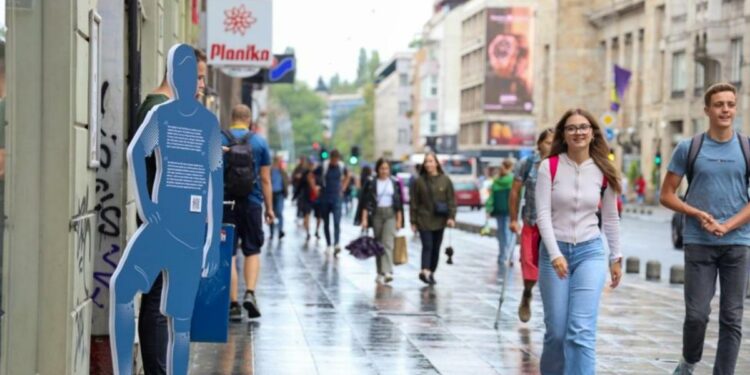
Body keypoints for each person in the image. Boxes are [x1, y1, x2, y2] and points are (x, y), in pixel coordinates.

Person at [111, 44, 221, 375]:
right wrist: (149, 205)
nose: (201, 87)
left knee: (164, 303)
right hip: (168, 220)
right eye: (199, 78)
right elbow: (141, 157)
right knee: (160, 305)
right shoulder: (160, 109)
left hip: (175, 218)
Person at [660, 83, 750, 375]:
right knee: (697, 315)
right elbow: (667, 194)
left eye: (730, 104)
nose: (726, 109)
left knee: (732, 317)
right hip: (699, 242)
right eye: (719, 104)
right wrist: (695, 212)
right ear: (707, 110)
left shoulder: (747, 148)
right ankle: (689, 361)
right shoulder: (690, 147)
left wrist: (729, 225)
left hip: (737, 244)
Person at [535, 108, 622, 374]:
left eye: (583, 127)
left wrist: (615, 256)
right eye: (571, 128)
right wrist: (554, 254)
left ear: (593, 132)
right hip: (555, 251)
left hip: (590, 252)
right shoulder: (548, 166)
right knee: (557, 333)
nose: (578, 132)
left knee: (581, 331)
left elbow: (610, 217)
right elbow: (542, 215)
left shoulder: (604, 170)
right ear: (563, 133)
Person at [222, 104, 274, 321]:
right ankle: (250, 293)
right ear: (249, 119)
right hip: (252, 202)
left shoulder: (220, 138)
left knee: (230, 253)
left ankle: (233, 303)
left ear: (232, 117)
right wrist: (269, 208)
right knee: (252, 250)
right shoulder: (260, 142)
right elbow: (265, 179)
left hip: (226, 203)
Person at [509, 128, 554, 323]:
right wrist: (512, 219)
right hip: (531, 222)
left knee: (552, 269)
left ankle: (552, 308)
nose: (551, 146)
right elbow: (515, 192)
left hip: (555, 226)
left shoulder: (562, 165)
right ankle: (527, 292)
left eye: (555, 142)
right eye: (547, 142)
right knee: (529, 265)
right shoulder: (526, 164)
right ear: (539, 144)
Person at [410, 152, 457, 285]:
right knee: (427, 245)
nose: (428, 164)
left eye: (431, 161)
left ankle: (431, 271)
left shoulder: (445, 180)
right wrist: (413, 221)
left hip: (440, 219)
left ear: (436, 163)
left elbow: (451, 200)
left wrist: (451, 217)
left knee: (436, 247)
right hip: (423, 219)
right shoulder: (419, 181)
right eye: (426, 162)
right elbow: (414, 202)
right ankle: (424, 270)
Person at [360, 158, 404, 284]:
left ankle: (388, 271)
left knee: (387, 243)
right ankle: (379, 272)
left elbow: (398, 203)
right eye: (382, 168)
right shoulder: (372, 183)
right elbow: (366, 202)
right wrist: (364, 219)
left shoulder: (394, 182)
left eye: (386, 168)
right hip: (376, 215)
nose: (384, 171)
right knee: (378, 244)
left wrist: (399, 219)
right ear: (377, 169)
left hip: (390, 214)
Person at [310, 150, 351, 255]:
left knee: (337, 222)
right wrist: (314, 188)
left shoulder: (341, 166)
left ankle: (336, 243)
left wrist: (343, 187)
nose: (335, 161)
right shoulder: (324, 166)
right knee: (326, 223)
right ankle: (328, 244)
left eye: (337, 159)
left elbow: (348, 175)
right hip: (325, 196)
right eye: (334, 159)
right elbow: (311, 175)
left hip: (337, 197)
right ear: (331, 158)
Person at [485, 158, 516, 265]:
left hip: (502, 211)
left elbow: (491, 197)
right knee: (507, 234)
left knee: (503, 234)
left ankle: (503, 256)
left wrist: (488, 208)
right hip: (509, 211)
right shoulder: (513, 180)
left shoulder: (496, 181)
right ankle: (508, 256)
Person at [269, 155, 289, 240]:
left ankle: (280, 231)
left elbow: (286, 181)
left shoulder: (282, 171)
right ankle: (272, 233)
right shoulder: (270, 170)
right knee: (271, 213)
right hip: (271, 194)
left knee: (279, 212)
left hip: (280, 194)